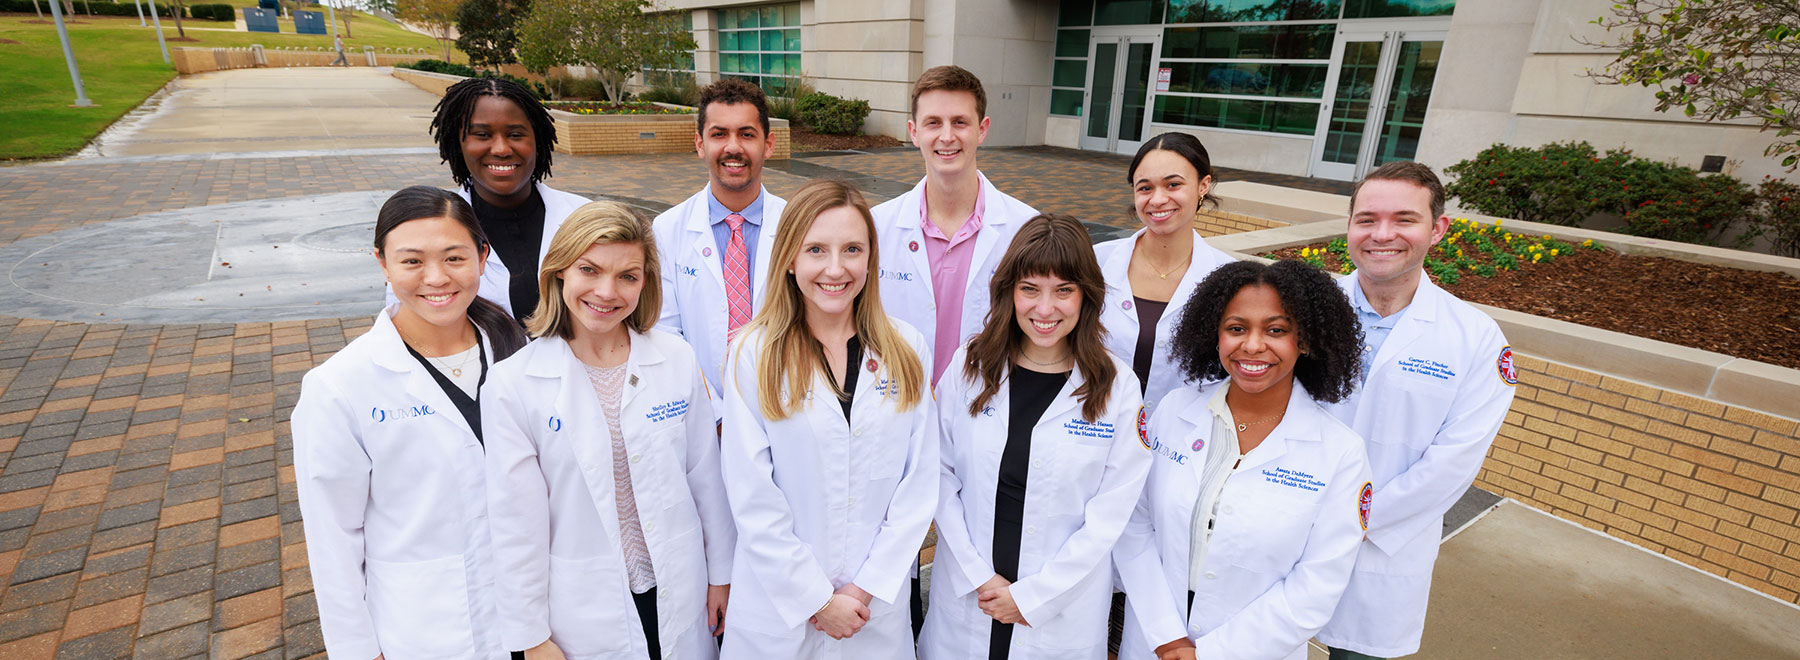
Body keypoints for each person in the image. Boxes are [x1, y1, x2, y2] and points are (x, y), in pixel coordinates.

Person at [484, 201, 735, 660]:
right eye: (589, 269)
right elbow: (516, 524)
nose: (607, 291)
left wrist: (722, 572)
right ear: (559, 272)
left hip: (681, 586)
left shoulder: (674, 358)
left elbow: (706, 478)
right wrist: (531, 637)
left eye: (628, 276)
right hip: (584, 607)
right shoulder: (513, 384)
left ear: (646, 282)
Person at [292, 185, 528, 660]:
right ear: (382, 262)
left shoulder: (519, 354)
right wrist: (357, 651)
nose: (437, 278)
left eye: (454, 258)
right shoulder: (340, 386)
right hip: (424, 631)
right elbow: (332, 538)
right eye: (412, 261)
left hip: (533, 622)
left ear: (483, 256)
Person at [717, 180, 936, 660]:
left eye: (852, 249)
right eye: (816, 249)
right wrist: (816, 599)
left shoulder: (907, 349)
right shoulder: (752, 353)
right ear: (790, 259)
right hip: (780, 612)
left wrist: (862, 591)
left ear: (871, 260)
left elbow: (918, 485)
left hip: (871, 611)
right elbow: (751, 494)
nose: (836, 269)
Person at [1114, 259, 1371, 660]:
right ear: (1213, 335)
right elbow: (1134, 526)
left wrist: (1209, 654)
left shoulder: (1340, 453)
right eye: (1236, 328)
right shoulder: (1174, 412)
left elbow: (1317, 585)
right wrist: (1167, 636)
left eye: (1276, 330)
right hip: (1154, 640)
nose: (1252, 345)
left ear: (1304, 341)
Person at [919, 214, 1149, 660]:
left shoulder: (1116, 384)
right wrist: (977, 575)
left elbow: (1112, 511)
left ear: (1087, 295)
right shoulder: (971, 363)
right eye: (1030, 289)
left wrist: (1037, 595)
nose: (1045, 309)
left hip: (1061, 608)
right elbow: (937, 472)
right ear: (1009, 291)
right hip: (970, 589)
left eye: (1064, 290)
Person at [1315, 162, 1518, 660]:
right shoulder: (1303, 309)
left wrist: (1353, 520)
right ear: (1349, 227)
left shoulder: (1475, 338)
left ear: (1437, 229)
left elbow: (1453, 463)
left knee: (1357, 652)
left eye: (1404, 219)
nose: (1382, 234)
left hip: (1384, 545)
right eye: (1366, 219)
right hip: (1281, 525)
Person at [872, 65, 1039, 388]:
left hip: (986, 406)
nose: (947, 136)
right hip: (896, 404)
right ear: (914, 131)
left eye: (960, 122)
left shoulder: (1026, 229)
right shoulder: (876, 226)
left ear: (982, 129)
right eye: (933, 123)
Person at [654, 78, 788, 397]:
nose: (733, 147)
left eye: (746, 134)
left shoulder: (799, 227)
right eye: (719, 134)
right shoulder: (666, 230)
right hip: (701, 414)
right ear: (700, 144)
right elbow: (665, 336)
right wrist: (715, 416)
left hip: (784, 404)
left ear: (767, 144)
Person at [423, 77, 590, 323]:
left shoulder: (585, 217)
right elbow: (408, 325)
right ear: (458, 144)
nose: (501, 149)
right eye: (482, 134)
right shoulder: (426, 230)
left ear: (537, 141)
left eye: (515, 134)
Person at [1095, 132, 1238, 414]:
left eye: (1173, 184)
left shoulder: (1230, 279)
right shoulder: (1096, 262)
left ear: (1203, 185)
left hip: (1184, 442)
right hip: (1095, 429)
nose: (1158, 199)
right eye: (1145, 188)